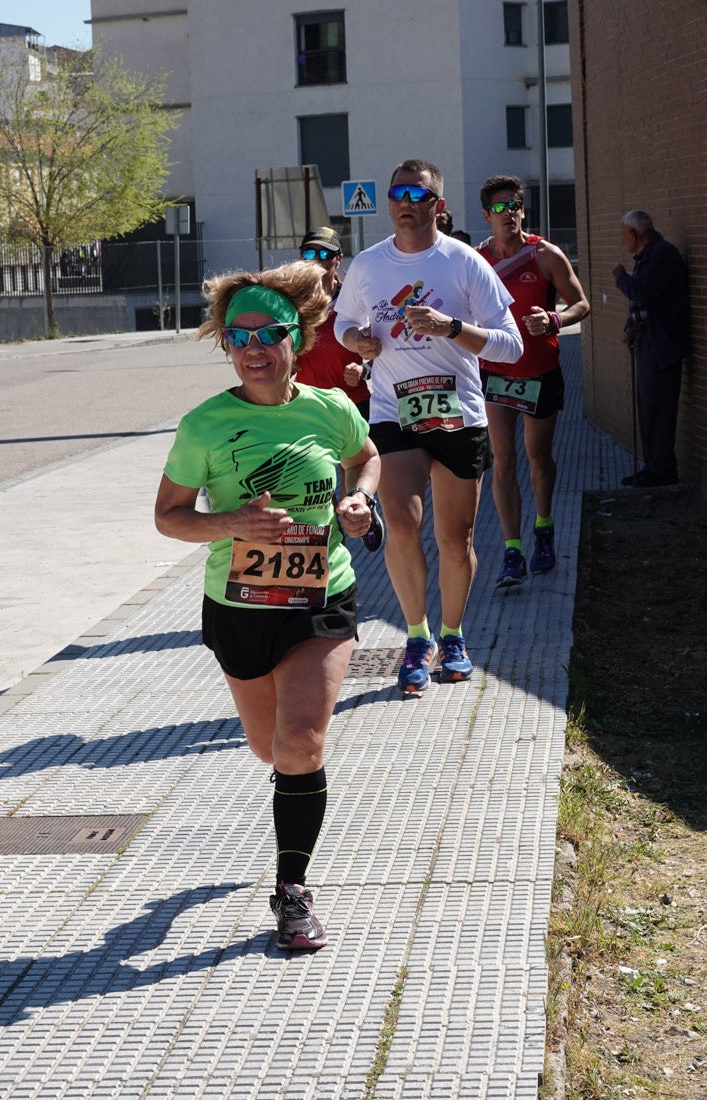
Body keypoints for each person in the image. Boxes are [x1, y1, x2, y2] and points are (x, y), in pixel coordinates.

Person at [154, 261, 380, 950]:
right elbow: (168, 516)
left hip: (320, 600)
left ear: (297, 338)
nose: (254, 347)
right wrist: (227, 525)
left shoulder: (329, 408)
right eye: (238, 334)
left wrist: (359, 499)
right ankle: (289, 823)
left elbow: (366, 456)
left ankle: (291, 890)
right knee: (266, 747)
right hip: (238, 607)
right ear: (225, 344)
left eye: (268, 333)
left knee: (298, 745)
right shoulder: (203, 424)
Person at [334, 158, 523, 694]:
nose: (407, 203)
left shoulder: (464, 263)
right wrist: (356, 342)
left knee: (454, 536)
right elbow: (344, 321)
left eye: (419, 195)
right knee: (398, 519)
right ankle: (417, 638)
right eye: (398, 194)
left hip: (458, 414)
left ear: (437, 204)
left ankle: (453, 635)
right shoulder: (369, 266)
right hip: (394, 412)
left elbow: (511, 345)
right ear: (389, 203)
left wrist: (454, 328)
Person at [477, 174, 590, 587]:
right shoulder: (476, 260)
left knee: (538, 459)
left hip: (540, 372)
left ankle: (544, 527)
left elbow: (582, 302)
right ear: (487, 215)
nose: (510, 214)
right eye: (501, 208)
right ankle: (513, 550)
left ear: (524, 210)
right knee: (502, 461)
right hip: (494, 374)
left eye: (516, 206)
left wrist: (555, 319)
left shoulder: (545, 254)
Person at [295, 227, 383, 551]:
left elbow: (377, 348)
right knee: (320, 479)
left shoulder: (355, 301)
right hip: (309, 403)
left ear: (338, 259)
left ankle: (363, 509)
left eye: (325, 255)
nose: (317, 261)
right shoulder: (294, 304)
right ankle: (338, 527)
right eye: (309, 253)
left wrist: (364, 369)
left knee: (354, 469)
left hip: (353, 402)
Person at [612, 210, 689, 487]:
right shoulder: (648, 256)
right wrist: (631, 325)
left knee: (659, 407)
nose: (624, 242)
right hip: (649, 340)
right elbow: (645, 304)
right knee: (648, 406)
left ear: (634, 234)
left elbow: (642, 292)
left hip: (662, 345)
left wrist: (621, 277)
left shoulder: (662, 255)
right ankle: (654, 465)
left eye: (624, 235)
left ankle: (663, 468)